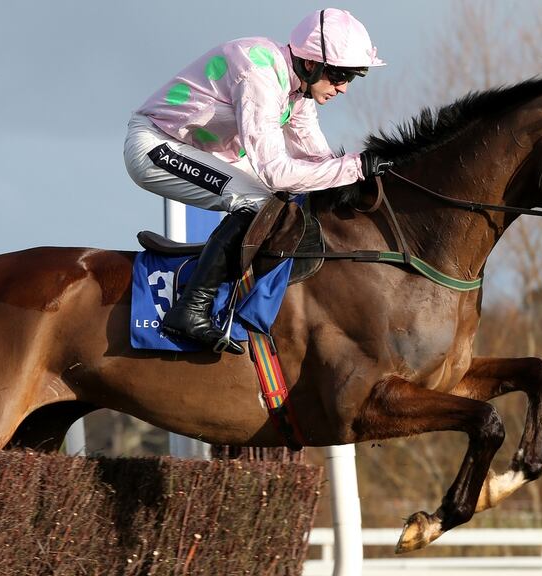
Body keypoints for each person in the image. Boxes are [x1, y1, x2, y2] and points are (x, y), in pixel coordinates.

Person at [124, 8, 392, 354]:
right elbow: (276, 172)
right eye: (340, 75)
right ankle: (190, 310)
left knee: (284, 201)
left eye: (353, 77)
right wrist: (354, 168)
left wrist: (366, 177)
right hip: (155, 145)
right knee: (259, 199)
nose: (343, 87)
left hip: (197, 151)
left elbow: (318, 161)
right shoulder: (259, 74)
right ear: (311, 64)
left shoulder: (299, 93)